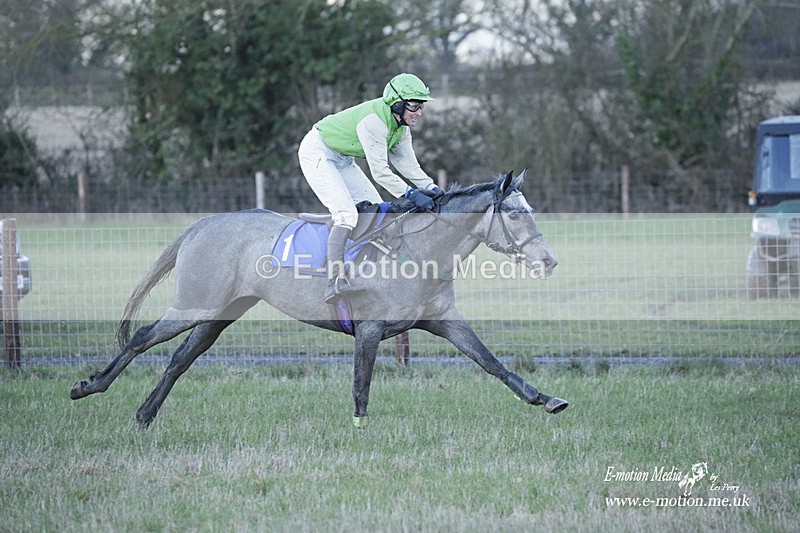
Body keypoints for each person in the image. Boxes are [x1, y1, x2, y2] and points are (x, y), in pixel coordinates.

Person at [298, 73, 442, 304]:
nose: (419, 113)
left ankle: (369, 271)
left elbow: (407, 164)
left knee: (377, 211)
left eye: (420, 106)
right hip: (318, 152)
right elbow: (380, 173)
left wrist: (432, 188)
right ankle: (334, 281)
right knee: (346, 214)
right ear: (397, 103)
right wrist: (411, 194)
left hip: (342, 158)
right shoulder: (375, 122)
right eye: (414, 106)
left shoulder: (401, 127)